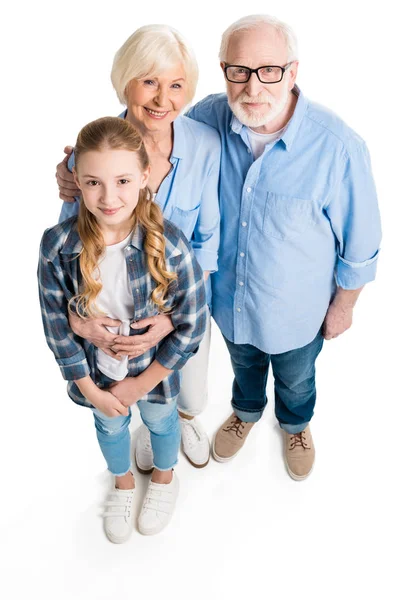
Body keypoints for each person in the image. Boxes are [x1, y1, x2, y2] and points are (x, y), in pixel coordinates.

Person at [187, 14, 382, 480]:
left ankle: (295, 423)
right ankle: (247, 410)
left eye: (269, 71)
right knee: (244, 368)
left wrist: (345, 306)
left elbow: (361, 239)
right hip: (229, 303)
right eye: (239, 70)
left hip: (299, 315)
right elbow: (148, 140)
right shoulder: (205, 119)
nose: (253, 87)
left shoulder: (338, 147)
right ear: (224, 70)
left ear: (292, 73)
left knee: (297, 379)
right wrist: (80, 168)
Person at [55, 25, 220, 470]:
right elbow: (69, 245)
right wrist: (79, 319)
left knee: (193, 389)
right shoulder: (96, 146)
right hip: (115, 308)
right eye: (149, 81)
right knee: (120, 387)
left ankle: (180, 417)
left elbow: (206, 241)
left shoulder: (205, 145)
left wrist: (173, 318)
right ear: (124, 81)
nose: (162, 98)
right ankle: (152, 421)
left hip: (182, 304)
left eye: (176, 85)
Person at [38, 117, 207, 541]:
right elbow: (56, 325)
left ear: (144, 177)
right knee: (109, 427)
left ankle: (166, 478)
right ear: (75, 179)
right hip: (97, 373)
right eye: (93, 182)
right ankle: (123, 482)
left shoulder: (170, 243)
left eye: (123, 181)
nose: (109, 197)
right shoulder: (57, 246)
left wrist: (142, 383)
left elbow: (193, 321)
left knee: (162, 422)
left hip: (155, 372)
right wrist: (91, 390)